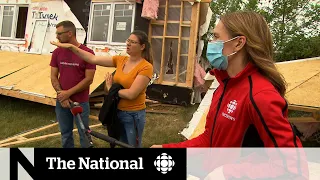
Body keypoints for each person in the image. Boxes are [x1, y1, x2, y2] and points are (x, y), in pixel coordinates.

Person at [151, 11, 303, 148]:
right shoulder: (223, 86)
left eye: (216, 36)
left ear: (238, 43)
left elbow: (291, 168)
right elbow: (210, 142)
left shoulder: (260, 95)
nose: (211, 42)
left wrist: (228, 172)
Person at [51, 30, 153, 148]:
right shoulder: (121, 60)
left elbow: (131, 94)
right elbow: (92, 59)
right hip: (117, 111)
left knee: (132, 146)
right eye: (128, 41)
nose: (128, 44)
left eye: (133, 42)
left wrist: (111, 89)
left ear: (142, 46)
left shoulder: (146, 67)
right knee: (119, 143)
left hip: (133, 115)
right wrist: (71, 47)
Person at [50, 20, 96, 148]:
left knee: (84, 134)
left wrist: (67, 94)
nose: (57, 37)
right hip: (62, 102)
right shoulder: (57, 52)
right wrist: (61, 95)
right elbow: (53, 76)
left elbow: (88, 79)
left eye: (59, 33)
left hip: (80, 102)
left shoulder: (87, 53)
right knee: (65, 134)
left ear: (70, 33)